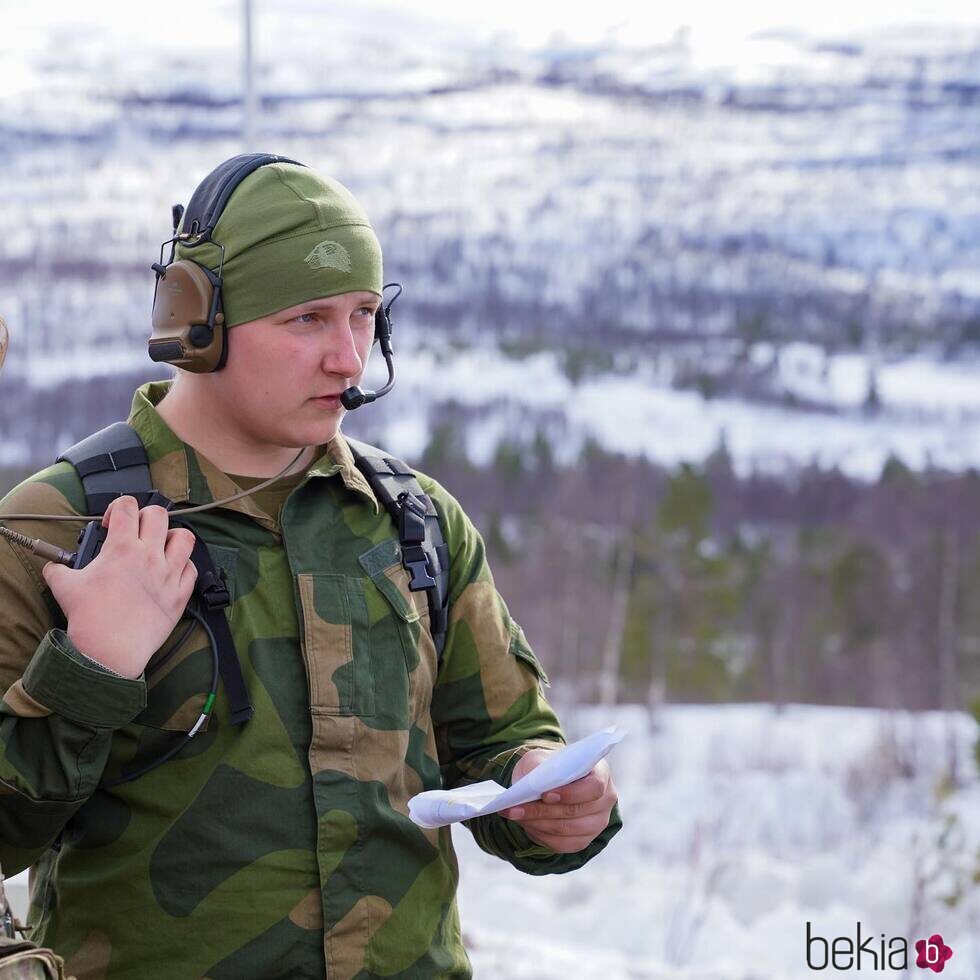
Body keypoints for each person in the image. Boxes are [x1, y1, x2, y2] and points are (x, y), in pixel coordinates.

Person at [0, 156, 622, 979]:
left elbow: (501, 739)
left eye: (365, 316)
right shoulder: (55, 527)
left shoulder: (414, 520)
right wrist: (93, 666)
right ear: (199, 323)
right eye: (308, 320)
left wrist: (548, 792)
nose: (349, 360)